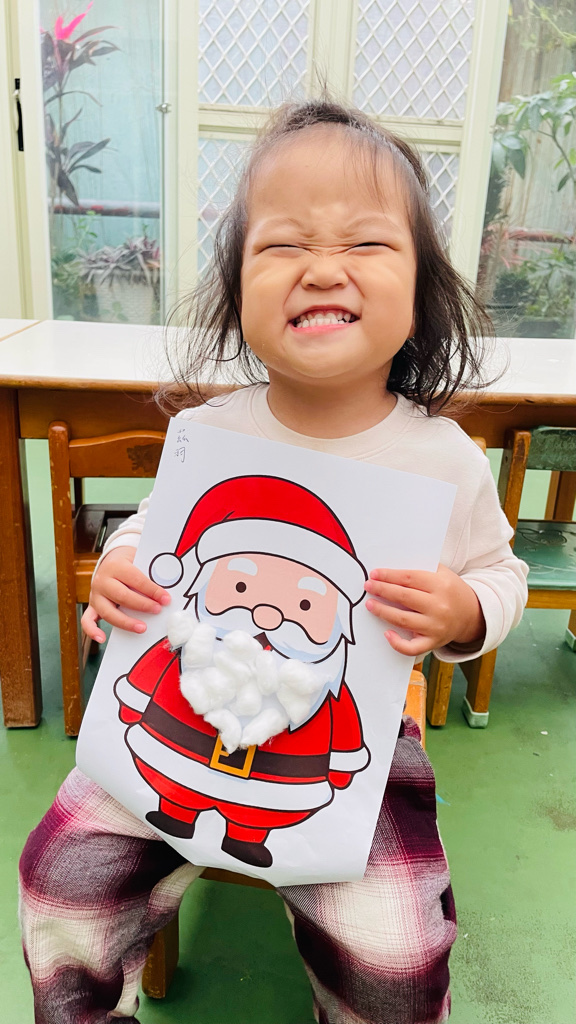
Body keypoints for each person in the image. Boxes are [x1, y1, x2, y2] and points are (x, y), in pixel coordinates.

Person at [19, 98, 528, 1024]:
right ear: (236, 289)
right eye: (283, 244)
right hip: (165, 731)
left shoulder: (442, 460)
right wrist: (124, 563)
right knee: (59, 878)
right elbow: (156, 535)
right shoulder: (209, 433)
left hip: (352, 748)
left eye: (366, 244)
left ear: (422, 290)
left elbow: (502, 575)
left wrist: (464, 611)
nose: (322, 267)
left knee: (397, 954)